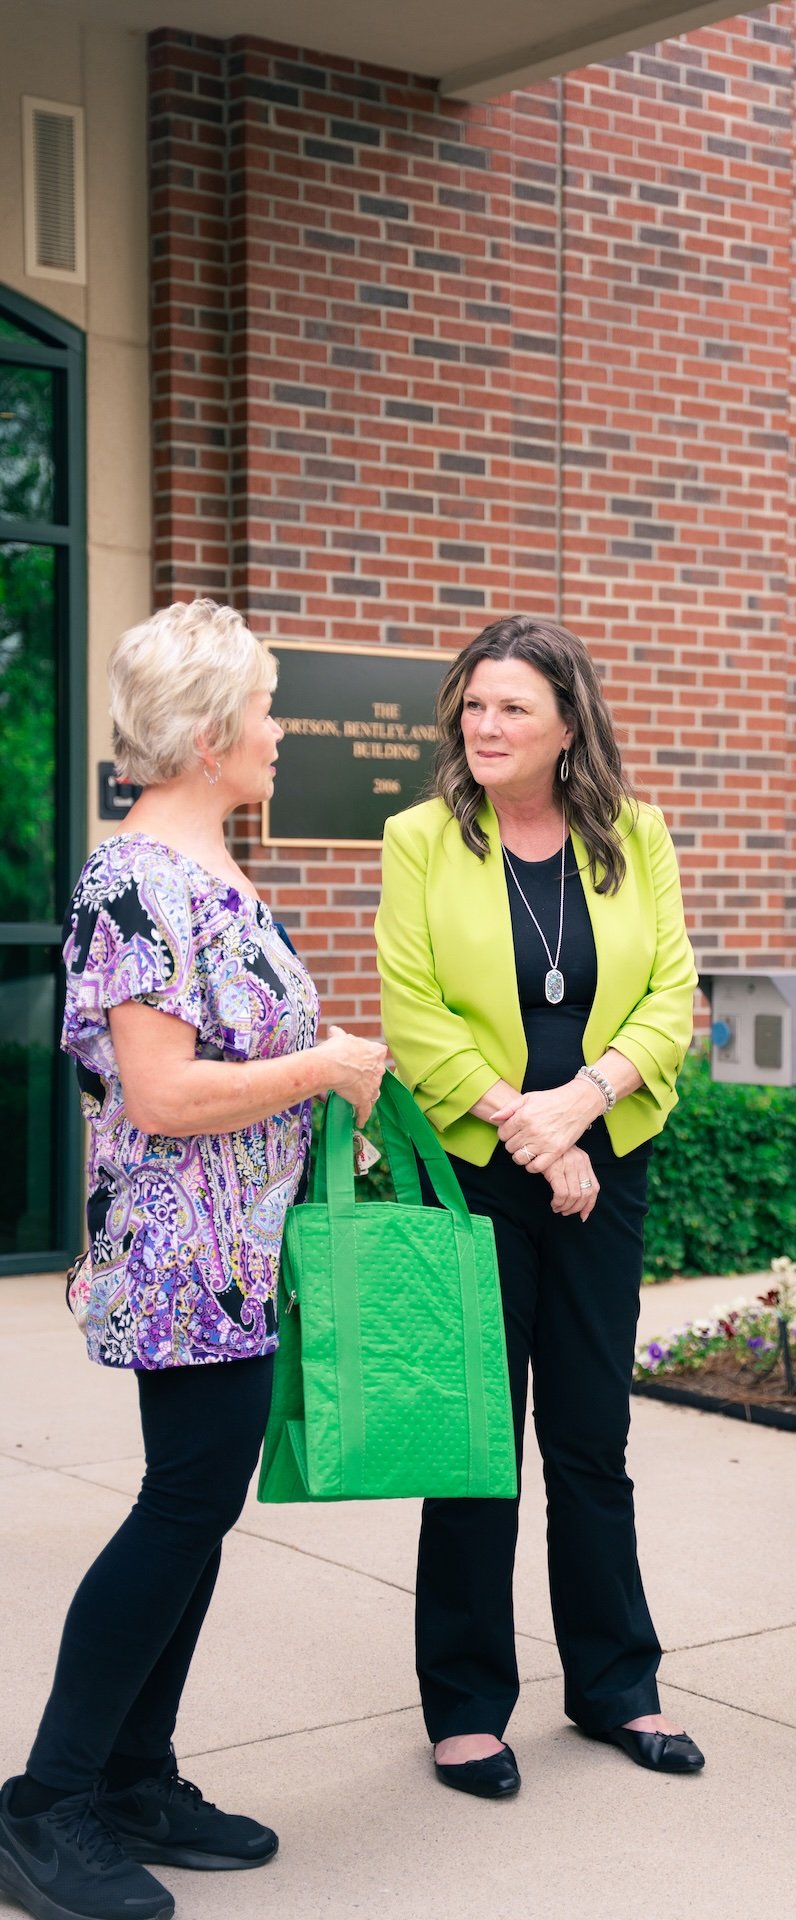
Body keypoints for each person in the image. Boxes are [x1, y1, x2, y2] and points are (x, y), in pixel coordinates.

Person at [0, 601, 387, 1920]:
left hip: (238, 1248)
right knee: (180, 1510)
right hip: (182, 1256)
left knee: (197, 1507)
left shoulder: (206, 874)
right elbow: (163, 1096)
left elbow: (229, 1060)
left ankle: (133, 1775)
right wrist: (324, 1065)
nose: (281, 733)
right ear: (215, 732)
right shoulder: (137, 880)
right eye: (268, 711)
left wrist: (326, 1089)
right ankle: (47, 1803)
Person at [376, 613, 703, 1798]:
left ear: (569, 723)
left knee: (588, 1435)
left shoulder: (635, 837)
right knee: (475, 1443)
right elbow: (414, 1014)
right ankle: (465, 1706)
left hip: (605, 1157)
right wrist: (529, 1125)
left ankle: (616, 1683)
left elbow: (671, 996)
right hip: (476, 1165)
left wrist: (583, 1109)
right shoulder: (418, 839)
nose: (485, 725)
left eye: (511, 706)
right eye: (472, 705)